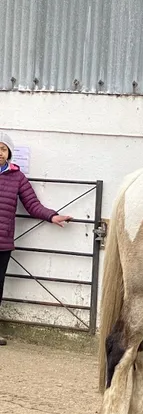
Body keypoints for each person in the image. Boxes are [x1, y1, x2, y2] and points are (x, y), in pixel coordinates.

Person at [0, 131, 72, 345]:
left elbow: (32, 205)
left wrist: (52, 216)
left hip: (2, 243)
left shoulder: (17, 178)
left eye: (2, 149)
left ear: (9, 153)